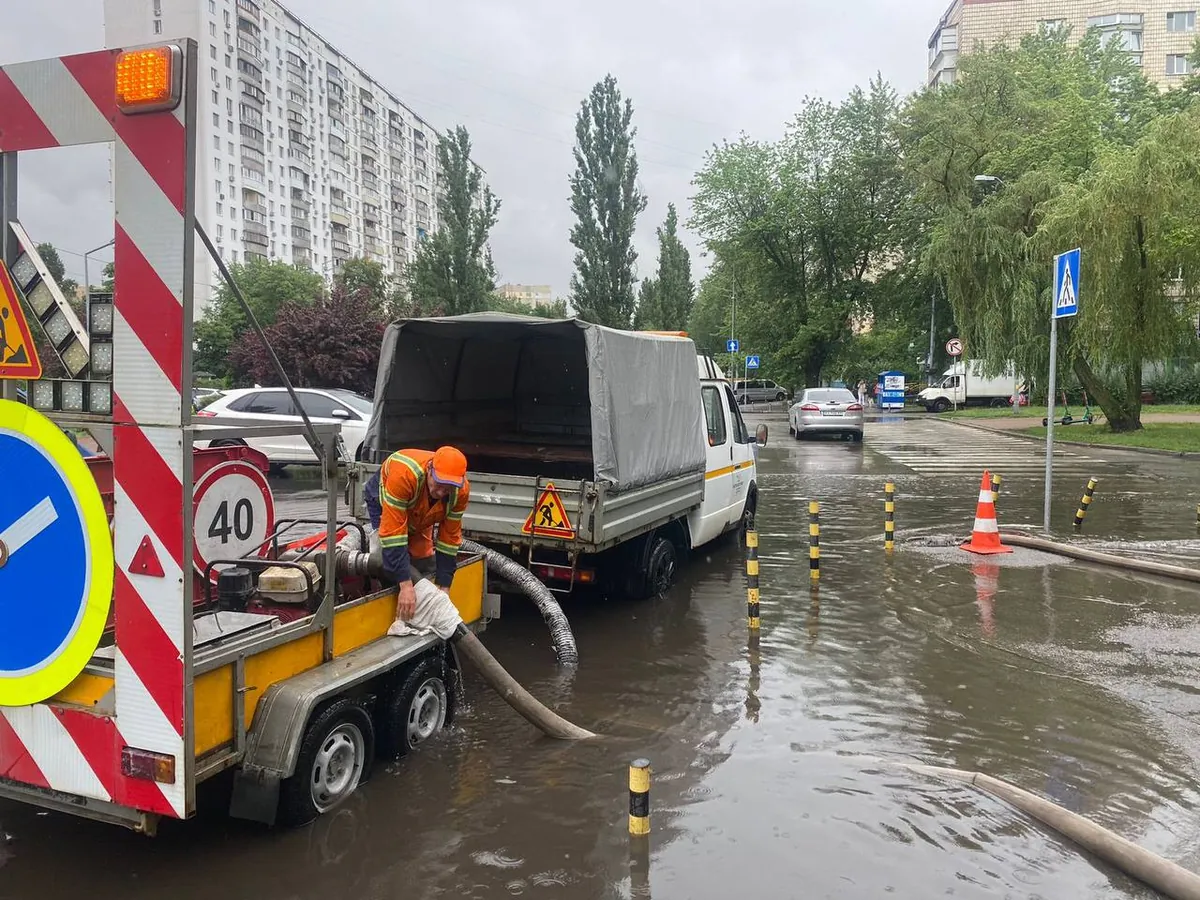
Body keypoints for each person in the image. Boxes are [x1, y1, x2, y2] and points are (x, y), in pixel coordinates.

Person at [363, 446, 471, 627]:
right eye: (439, 483)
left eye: (449, 487)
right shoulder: (404, 475)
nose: (441, 492)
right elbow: (393, 536)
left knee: (421, 558)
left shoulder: (461, 492)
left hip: (420, 511)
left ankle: (417, 602)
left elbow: (449, 540)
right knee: (385, 557)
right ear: (429, 470)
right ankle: (390, 598)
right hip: (385, 497)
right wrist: (405, 586)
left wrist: (444, 588)